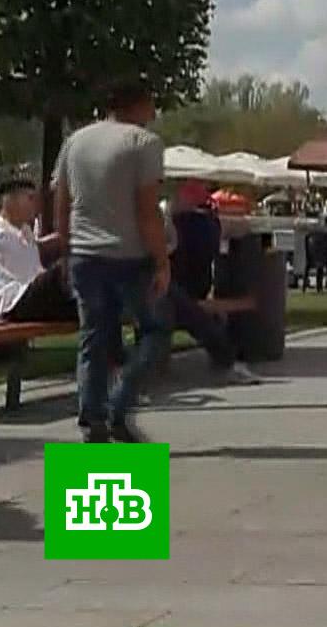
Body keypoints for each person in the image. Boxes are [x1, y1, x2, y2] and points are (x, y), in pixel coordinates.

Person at [54, 79, 171, 444]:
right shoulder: (143, 143)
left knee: (93, 337)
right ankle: (119, 404)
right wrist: (162, 260)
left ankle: (92, 421)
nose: (153, 114)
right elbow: (147, 210)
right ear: (137, 104)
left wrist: (65, 247)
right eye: (152, 105)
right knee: (155, 331)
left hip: (85, 256)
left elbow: (61, 199)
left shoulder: (75, 141)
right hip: (128, 255)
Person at [166, 182, 261, 385]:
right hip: (187, 293)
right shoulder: (209, 225)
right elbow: (244, 227)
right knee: (195, 312)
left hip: (166, 290)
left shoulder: (171, 224)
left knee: (186, 309)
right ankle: (227, 362)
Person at [0, 178, 74, 323]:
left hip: (27, 298)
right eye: (30, 198)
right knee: (69, 268)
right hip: (10, 304)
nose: (36, 204)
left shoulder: (24, 233)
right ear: (11, 202)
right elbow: (29, 277)